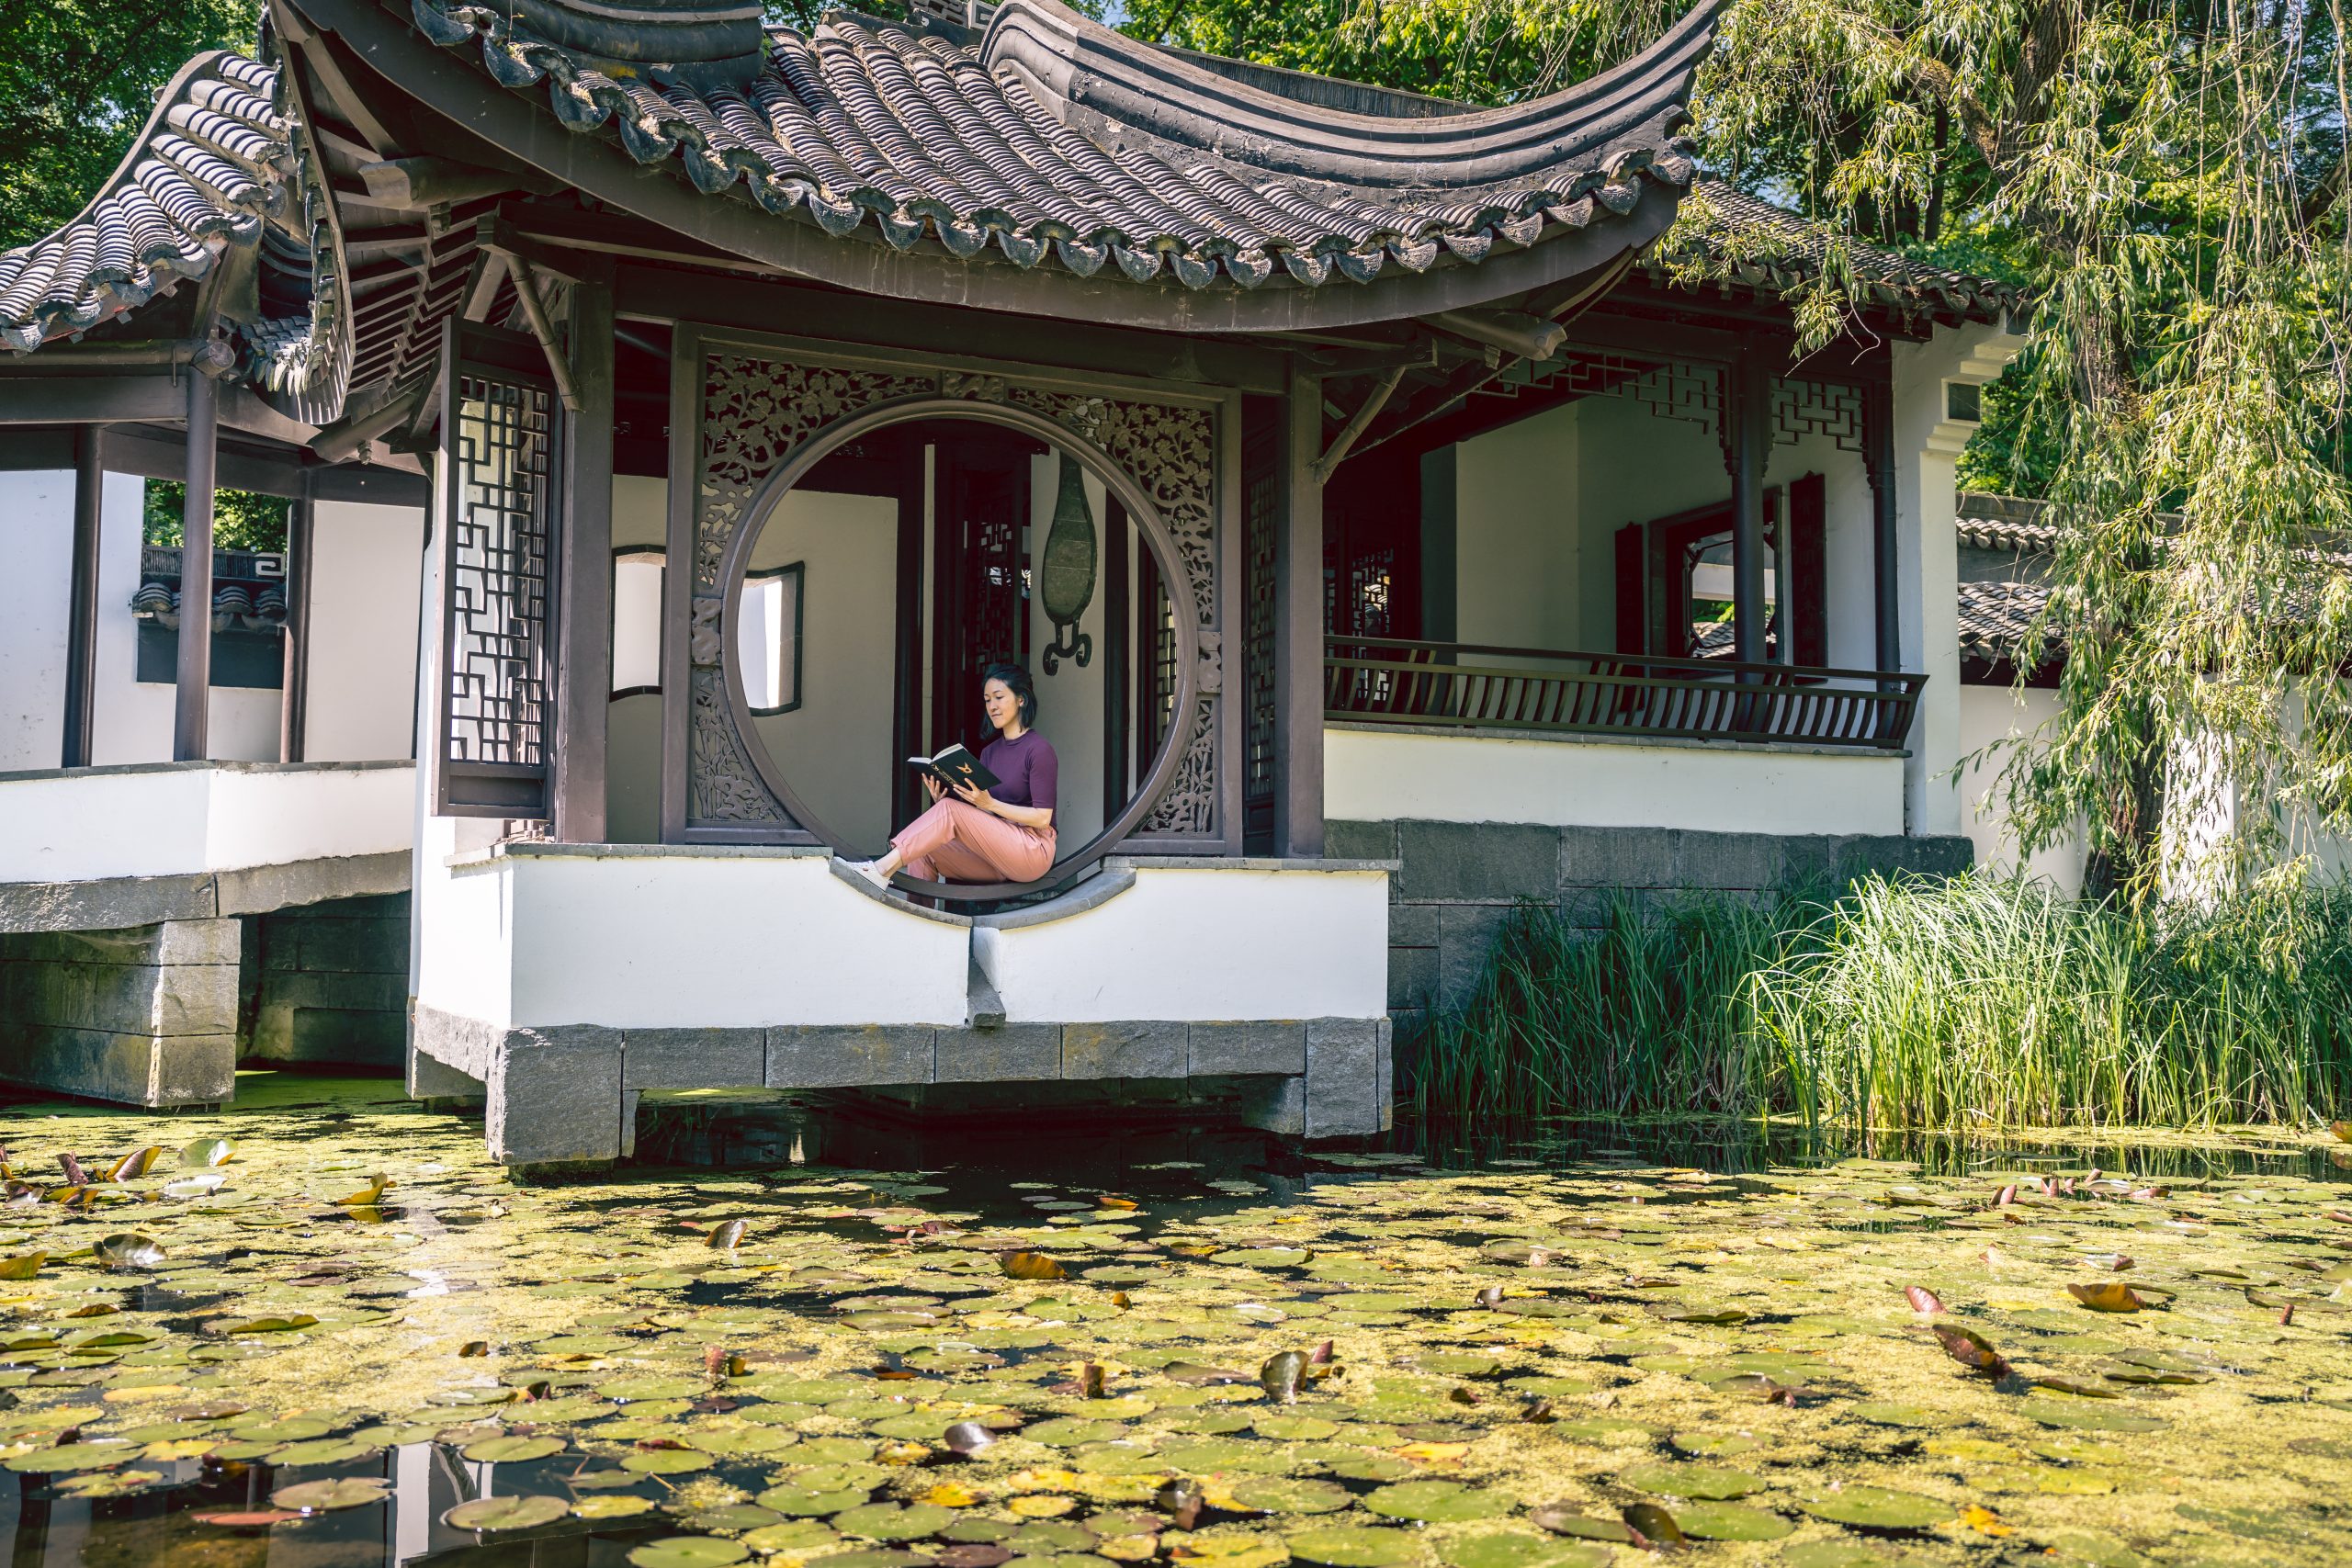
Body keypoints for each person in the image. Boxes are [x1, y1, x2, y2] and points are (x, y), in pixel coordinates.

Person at [846, 664, 1057, 889]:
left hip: (1033, 849)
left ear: (1021, 699)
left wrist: (985, 804)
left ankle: (880, 870)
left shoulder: (1039, 750)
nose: (992, 707)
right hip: (997, 852)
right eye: (987, 700)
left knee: (949, 810)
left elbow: (1042, 818)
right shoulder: (990, 752)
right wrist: (944, 806)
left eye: (999, 697)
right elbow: (987, 814)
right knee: (923, 849)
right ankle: (919, 916)